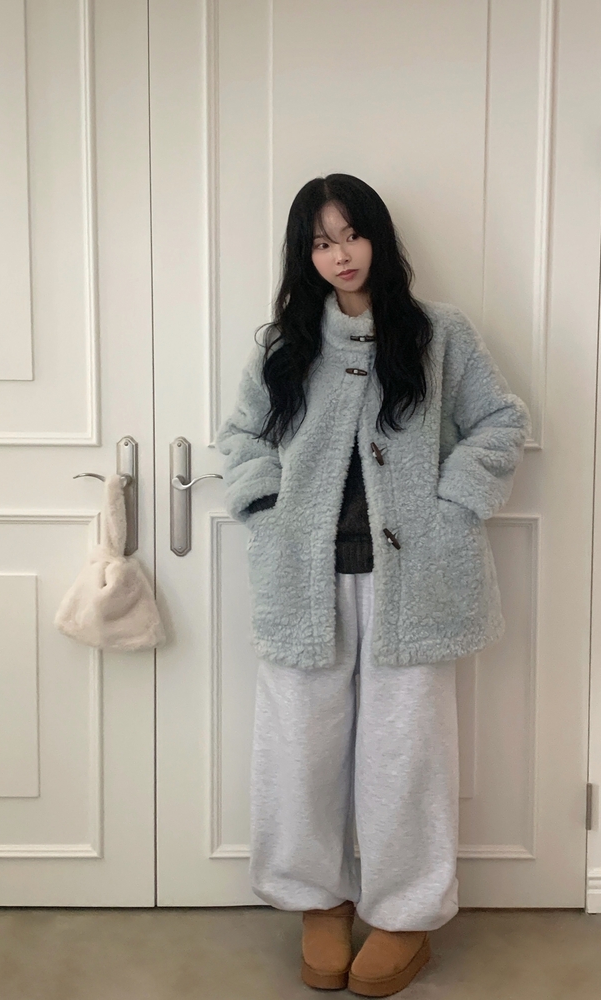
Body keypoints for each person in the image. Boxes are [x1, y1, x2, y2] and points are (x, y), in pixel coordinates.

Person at [216, 174, 531, 996]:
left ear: (378, 238)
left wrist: (454, 503)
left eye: (351, 234)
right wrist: (265, 507)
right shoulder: (283, 344)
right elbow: (241, 436)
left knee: (408, 756)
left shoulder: (438, 334)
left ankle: (405, 916)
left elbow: (501, 420)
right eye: (321, 242)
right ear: (306, 255)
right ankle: (317, 902)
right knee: (298, 750)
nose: (340, 255)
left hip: (412, 582)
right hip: (304, 579)